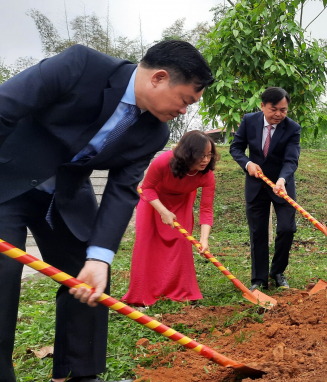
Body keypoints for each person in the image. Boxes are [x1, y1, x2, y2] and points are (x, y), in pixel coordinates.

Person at [0, 40, 213, 382]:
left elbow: (122, 190)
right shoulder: (81, 66)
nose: (184, 111)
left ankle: (78, 374)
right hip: (9, 180)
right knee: (2, 276)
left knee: (90, 271)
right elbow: (5, 107)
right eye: (185, 100)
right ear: (158, 78)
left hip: (66, 195)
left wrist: (100, 257)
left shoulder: (154, 131)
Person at [122, 131, 217, 306]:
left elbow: (206, 209)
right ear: (188, 153)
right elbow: (146, 188)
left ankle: (181, 292)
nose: (205, 160)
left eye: (209, 155)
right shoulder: (164, 161)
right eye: (201, 155)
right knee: (147, 244)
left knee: (181, 243)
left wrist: (204, 240)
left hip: (181, 202)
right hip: (153, 201)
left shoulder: (206, 175)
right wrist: (163, 211)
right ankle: (142, 294)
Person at [230, 87, 301, 292]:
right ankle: (259, 279)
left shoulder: (293, 128)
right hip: (256, 185)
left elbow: (291, 159)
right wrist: (247, 164)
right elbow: (236, 148)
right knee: (258, 232)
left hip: (282, 186)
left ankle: (277, 271)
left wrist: (282, 180)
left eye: (284, 110)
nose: (279, 114)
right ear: (262, 106)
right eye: (274, 109)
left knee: (287, 228)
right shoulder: (249, 121)